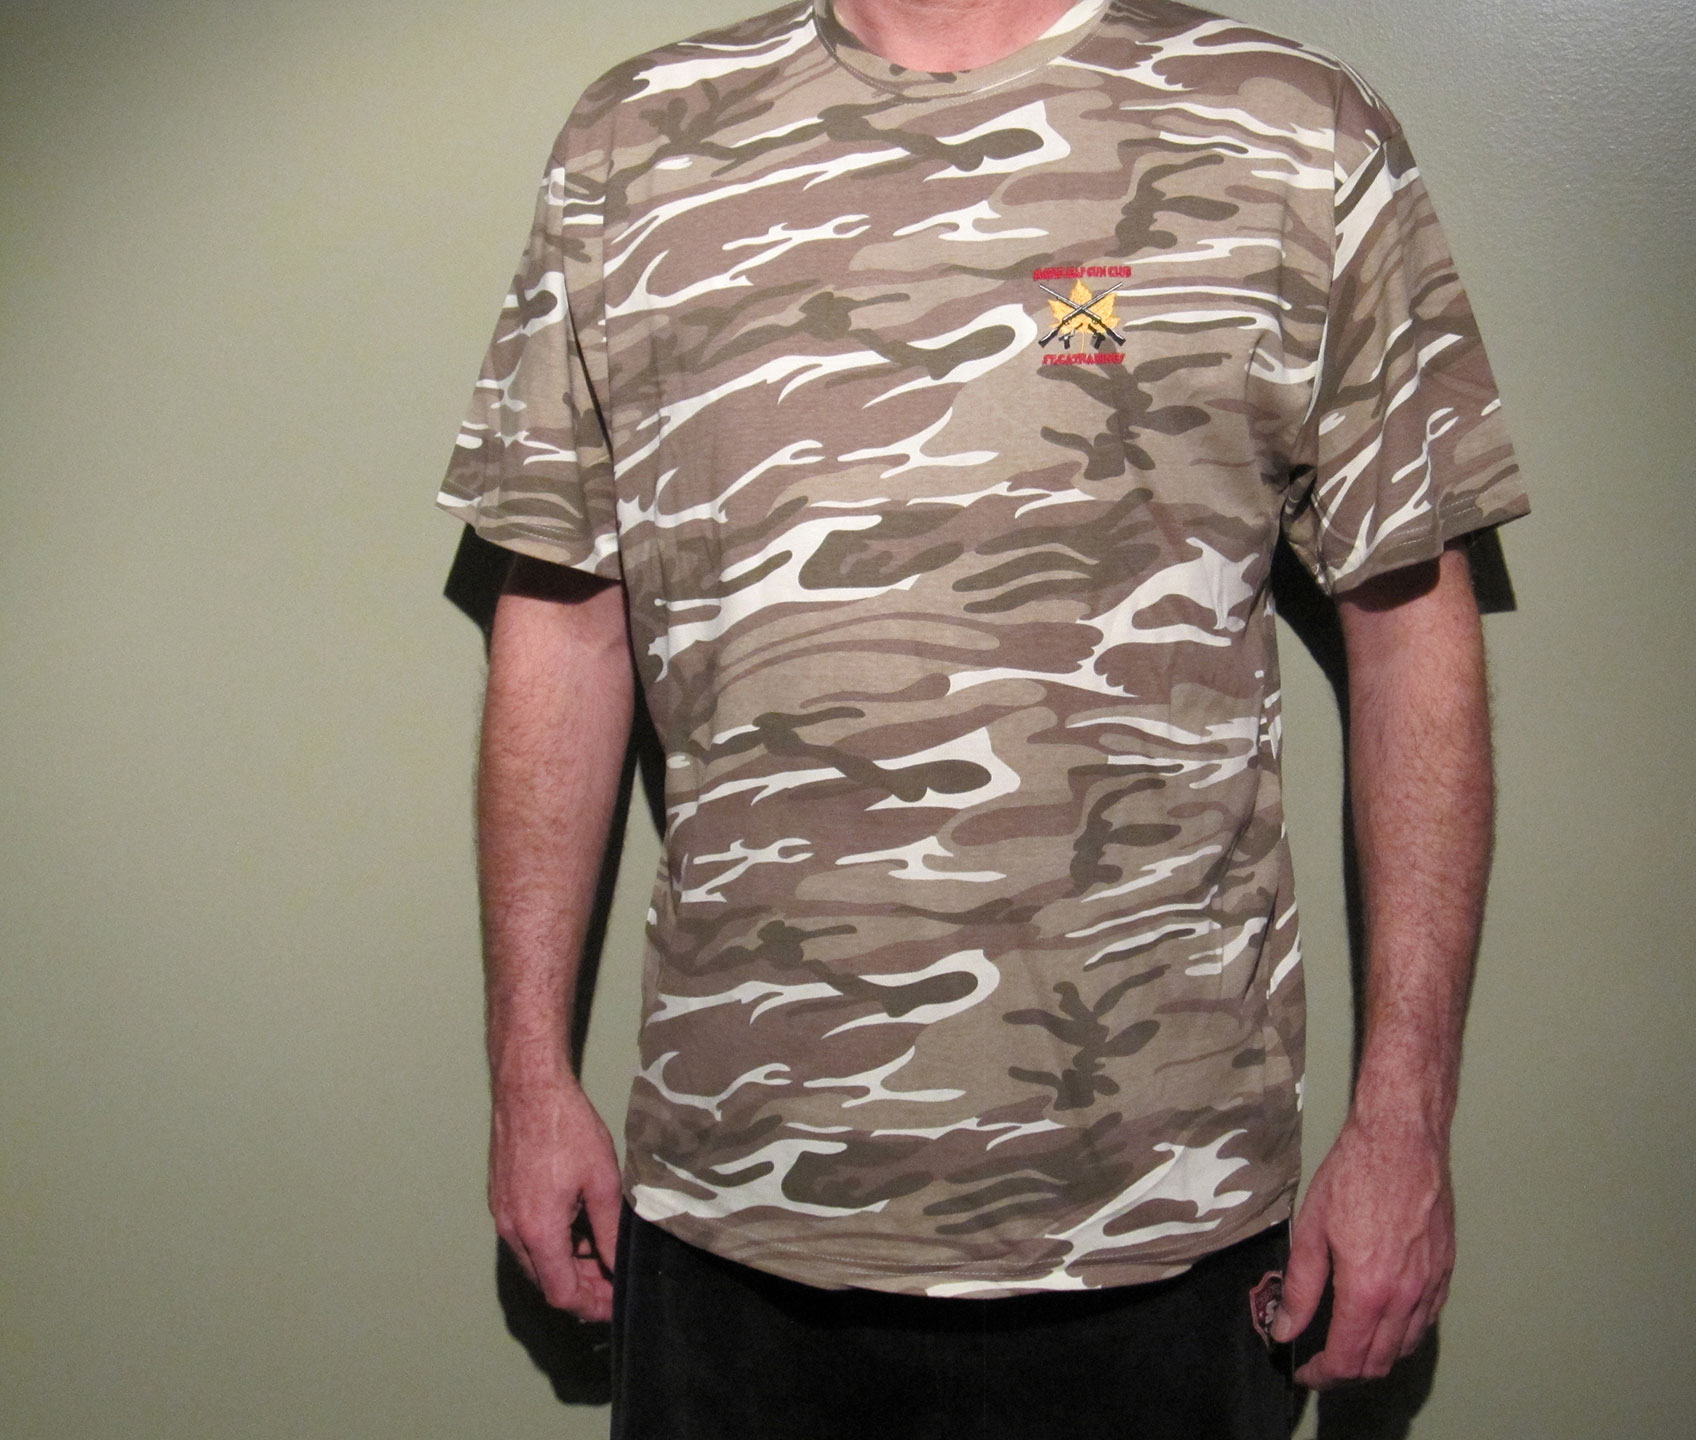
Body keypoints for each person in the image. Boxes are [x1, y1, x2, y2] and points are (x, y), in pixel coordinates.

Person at [439, 0, 1528, 1433]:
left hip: (1163, 1213)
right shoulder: (636, 143)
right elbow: (567, 617)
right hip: (738, 1202)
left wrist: (1405, 1127)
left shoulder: (1291, 130)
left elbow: (1411, 629)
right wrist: (528, 1080)